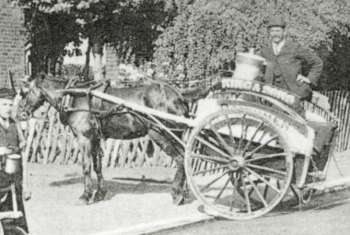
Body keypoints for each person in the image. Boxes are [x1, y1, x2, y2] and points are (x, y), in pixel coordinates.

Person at [260, 15, 323, 101]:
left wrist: (309, 79)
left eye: (278, 31)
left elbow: (317, 62)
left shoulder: (294, 48)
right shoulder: (265, 51)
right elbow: (259, 70)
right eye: (272, 31)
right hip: (271, 94)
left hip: (293, 93)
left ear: (284, 32)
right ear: (269, 33)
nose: (275, 34)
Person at [0, 88, 29, 234]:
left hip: (14, 177)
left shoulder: (14, 125)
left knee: (17, 214)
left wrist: (26, 186)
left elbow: (22, 149)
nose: (8, 108)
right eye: (4, 104)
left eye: (10, 105)